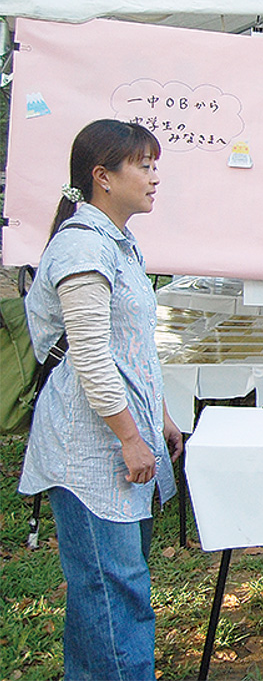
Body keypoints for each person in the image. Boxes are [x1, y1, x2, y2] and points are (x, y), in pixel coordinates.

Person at [19, 119, 184, 680]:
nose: (155, 177)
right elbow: (90, 356)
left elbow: (131, 347)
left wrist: (156, 415)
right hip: (90, 449)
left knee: (112, 587)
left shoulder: (117, 242)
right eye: (144, 165)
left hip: (116, 440)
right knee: (114, 590)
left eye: (154, 164)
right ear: (102, 177)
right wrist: (129, 436)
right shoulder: (82, 247)